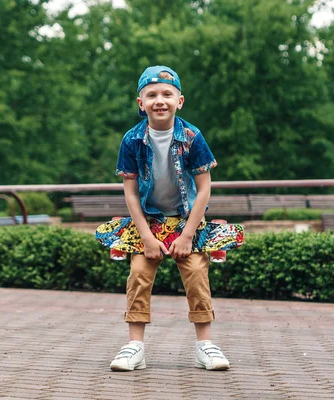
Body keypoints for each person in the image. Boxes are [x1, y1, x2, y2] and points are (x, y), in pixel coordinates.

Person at [109, 65, 229, 371]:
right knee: (138, 274)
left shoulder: (191, 137)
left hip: (186, 220)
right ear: (141, 103)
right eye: (151, 95)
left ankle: (206, 345)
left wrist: (188, 234)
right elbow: (131, 193)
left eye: (167, 94)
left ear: (180, 100)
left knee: (196, 274)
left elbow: (204, 189)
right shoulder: (132, 140)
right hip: (148, 223)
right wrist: (146, 237)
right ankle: (135, 346)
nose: (159, 100)